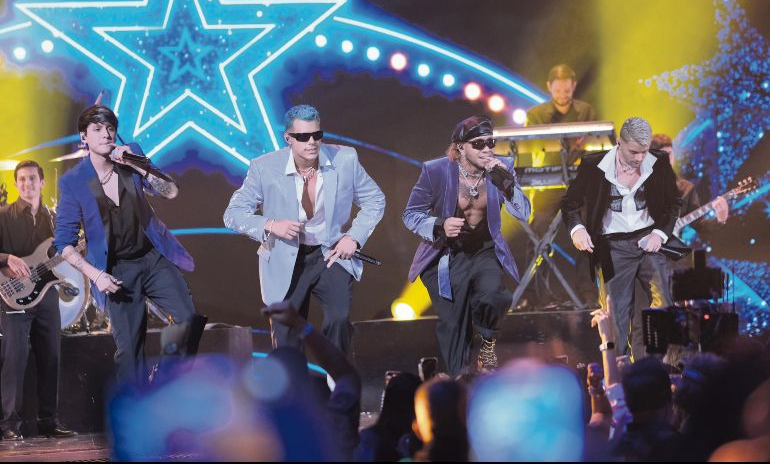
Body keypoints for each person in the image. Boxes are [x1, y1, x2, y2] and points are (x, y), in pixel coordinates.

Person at [54, 105, 199, 384]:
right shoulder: (73, 181)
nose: (106, 134)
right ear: (83, 137)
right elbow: (65, 243)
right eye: (97, 129)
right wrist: (96, 276)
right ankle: (136, 411)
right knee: (130, 351)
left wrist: (136, 164)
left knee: (188, 320)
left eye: (110, 128)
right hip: (115, 271)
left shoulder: (131, 154)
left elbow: (171, 192)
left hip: (152, 258)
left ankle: (163, 380)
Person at [224, 104, 385, 355]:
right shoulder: (264, 167)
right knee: (287, 336)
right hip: (285, 257)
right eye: (302, 137)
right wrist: (270, 225)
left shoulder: (345, 159)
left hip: (329, 254)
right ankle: (295, 390)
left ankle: (339, 385)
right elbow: (232, 215)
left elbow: (375, 200)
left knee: (339, 320)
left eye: (316, 135)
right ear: (287, 138)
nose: (311, 142)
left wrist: (353, 237)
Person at [403, 114, 531, 376]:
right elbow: (410, 214)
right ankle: (459, 382)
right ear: (461, 147)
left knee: (495, 295)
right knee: (454, 325)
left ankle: (487, 344)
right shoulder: (436, 170)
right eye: (479, 144)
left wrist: (506, 185)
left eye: (491, 142)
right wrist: (439, 223)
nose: (487, 150)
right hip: (446, 254)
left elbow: (523, 212)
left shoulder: (501, 167)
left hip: (484, 250)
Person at [561, 117, 681, 355]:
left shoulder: (659, 163)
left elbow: (673, 204)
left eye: (644, 152)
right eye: (633, 152)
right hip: (612, 246)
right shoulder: (593, 165)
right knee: (615, 315)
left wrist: (659, 233)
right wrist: (578, 229)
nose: (639, 158)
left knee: (664, 305)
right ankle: (618, 373)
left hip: (648, 241)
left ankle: (657, 369)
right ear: (619, 143)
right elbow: (569, 203)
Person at [630, 133, 730, 359]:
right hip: (644, 261)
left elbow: (702, 225)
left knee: (681, 315)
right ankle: (650, 367)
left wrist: (721, 218)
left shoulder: (685, 189)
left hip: (676, 262)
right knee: (652, 312)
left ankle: (675, 366)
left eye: (670, 154)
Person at [0, 161, 76, 440]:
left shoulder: (55, 219)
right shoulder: (3, 215)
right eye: (21, 179)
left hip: (46, 296)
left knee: (51, 356)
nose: (26, 183)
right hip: (11, 296)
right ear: (16, 183)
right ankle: (9, 424)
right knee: (14, 358)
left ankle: (49, 422)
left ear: (43, 183)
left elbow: (61, 257)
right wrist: (7, 258)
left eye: (32, 178)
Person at [523, 64, 599, 309]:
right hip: (548, 184)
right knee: (538, 232)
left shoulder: (586, 111)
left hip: (579, 184)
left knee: (588, 231)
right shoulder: (536, 114)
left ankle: (588, 292)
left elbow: (597, 143)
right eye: (558, 90)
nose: (563, 94)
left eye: (567, 90)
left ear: (574, 87)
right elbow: (527, 145)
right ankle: (536, 295)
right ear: (549, 88)